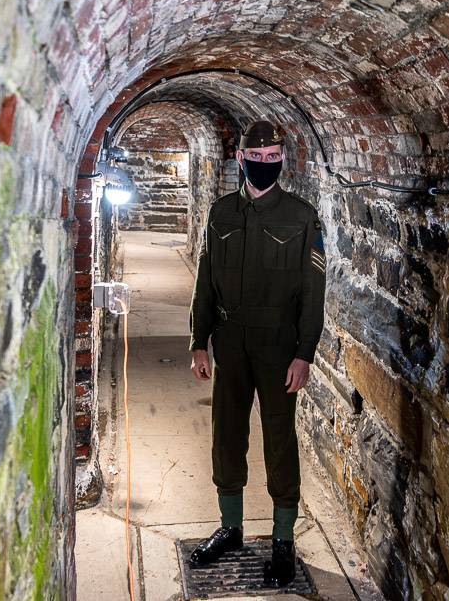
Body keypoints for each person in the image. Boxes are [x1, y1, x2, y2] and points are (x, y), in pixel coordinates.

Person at [186, 120, 326, 586]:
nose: (264, 166)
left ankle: (283, 538)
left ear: (282, 161)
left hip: (278, 344)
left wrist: (305, 353)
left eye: (273, 159)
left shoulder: (302, 218)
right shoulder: (221, 213)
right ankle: (230, 527)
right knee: (227, 434)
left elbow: (313, 292)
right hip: (229, 341)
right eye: (256, 158)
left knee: (279, 439)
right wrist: (198, 341)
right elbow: (205, 282)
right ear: (241, 159)